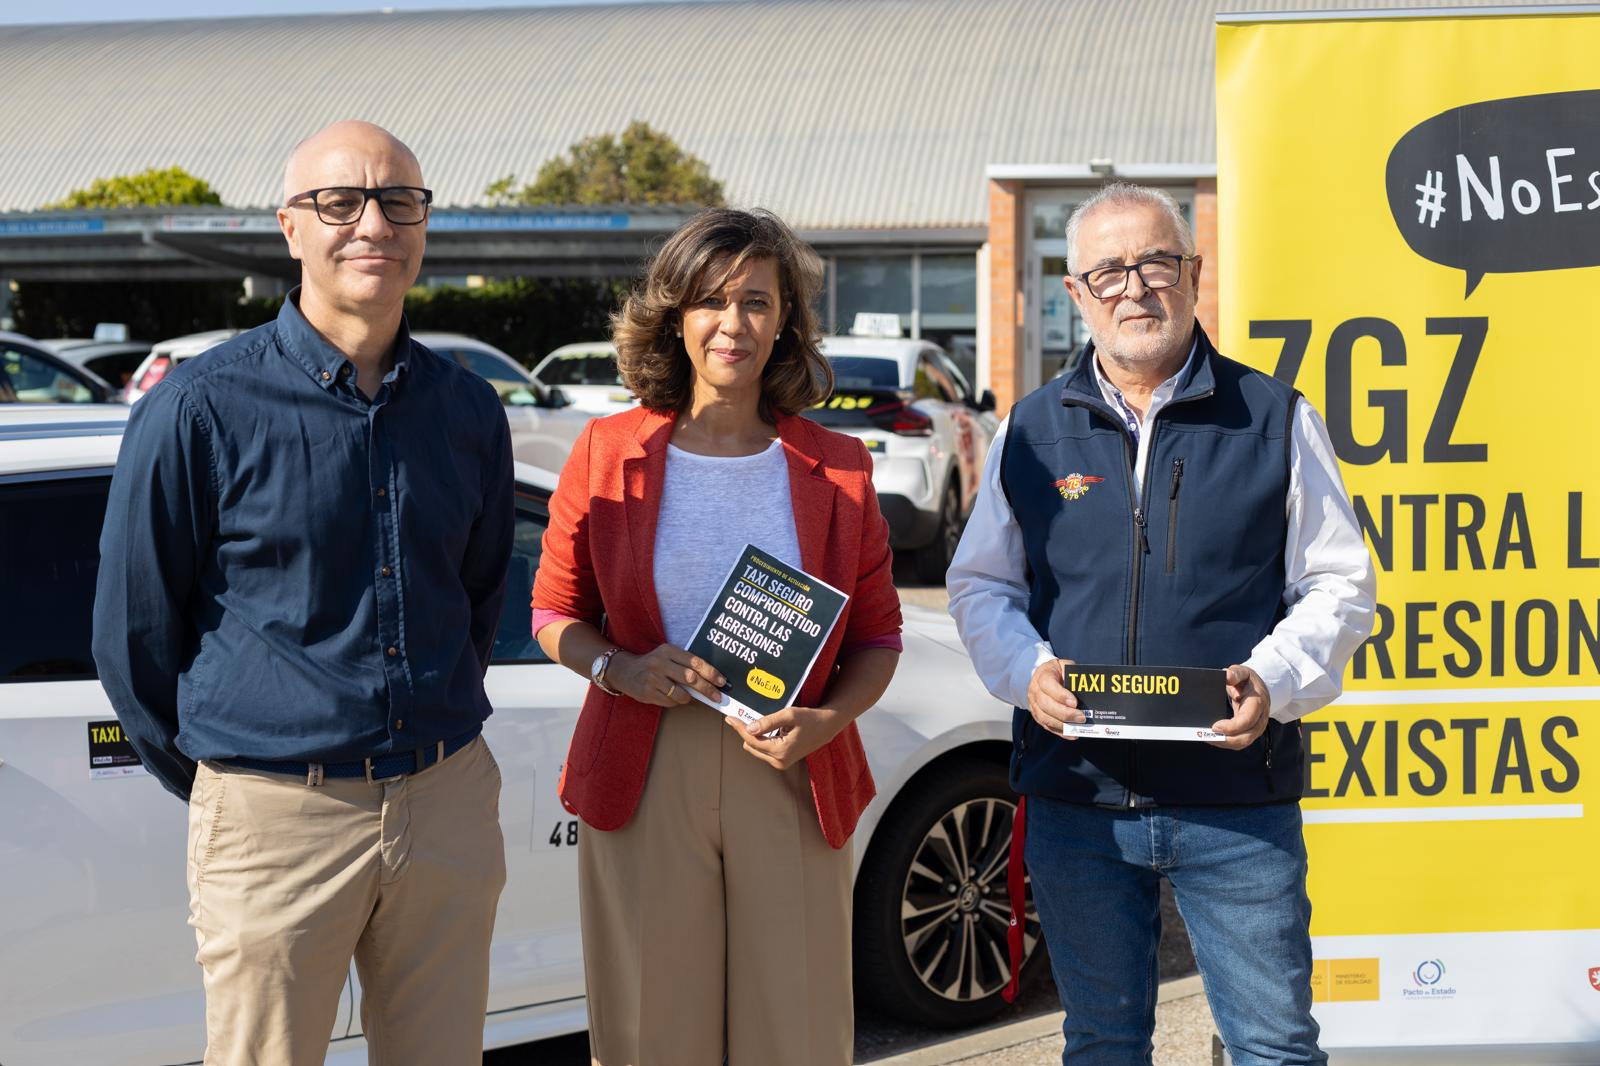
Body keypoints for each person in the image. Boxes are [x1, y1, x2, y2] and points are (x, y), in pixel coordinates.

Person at [92, 120, 514, 1065]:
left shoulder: (467, 410)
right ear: (291, 227)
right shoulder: (200, 408)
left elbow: (476, 600)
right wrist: (237, 783)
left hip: (444, 803)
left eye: (399, 200)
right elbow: (133, 635)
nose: (373, 222)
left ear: (424, 225)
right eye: (340, 201)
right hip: (275, 818)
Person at [947, 182, 1376, 1066]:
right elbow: (980, 585)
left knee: (1275, 1047)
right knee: (1102, 1046)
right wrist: (1024, 668)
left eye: (1156, 263)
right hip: (1080, 802)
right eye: (1109, 270)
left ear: (1193, 273)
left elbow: (1340, 584)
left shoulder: (1276, 418)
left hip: (1236, 805)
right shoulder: (1029, 432)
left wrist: (1276, 679)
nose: (1134, 287)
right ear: (1076, 294)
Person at [531, 207, 902, 1066]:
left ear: (786, 325)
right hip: (642, 761)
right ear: (676, 315)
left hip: (792, 765)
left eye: (758, 303)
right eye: (711, 301)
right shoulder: (605, 449)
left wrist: (829, 719)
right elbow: (554, 612)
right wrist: (618, 668)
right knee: (653, 1032)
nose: (733, 324)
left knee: (796, 1031)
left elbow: (878, 636)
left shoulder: (839, 466)